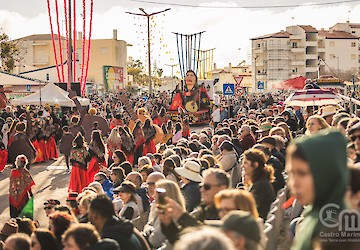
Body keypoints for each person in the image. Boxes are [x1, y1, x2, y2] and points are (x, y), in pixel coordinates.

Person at [287, 129, 348, 250]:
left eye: (302, 173)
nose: (294, 183)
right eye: (291, 173)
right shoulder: (313, 215)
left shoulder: (336, 229)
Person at [144, 179, 187, 249]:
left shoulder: (170, 215)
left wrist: (149, 230)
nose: (154, 195)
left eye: (157, 193)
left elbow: (154, 240)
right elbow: (149, 224)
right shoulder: (157, 208)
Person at [242, 148, 275, 219]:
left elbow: (249, 210)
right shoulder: (262, 181)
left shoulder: (259, 186)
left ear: (255, 165)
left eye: (245, 163)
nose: (242, 166)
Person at [9, 154, 35, 219]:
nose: (23, 164)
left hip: (19, 196)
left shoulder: (21, 172)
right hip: (20, 195)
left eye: (23, 162)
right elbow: (29, 184)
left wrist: (30, 193)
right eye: (22, 162)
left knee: (19, 212)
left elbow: (28, 184)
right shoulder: (22, 172)